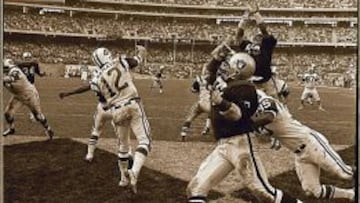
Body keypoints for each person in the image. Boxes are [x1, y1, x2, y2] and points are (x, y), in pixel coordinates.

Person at [187, 53, 302, 203]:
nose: (226, 69)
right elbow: (209, 74)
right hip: (223, 145)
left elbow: (236, 115)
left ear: (238, 69)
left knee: (264, 192)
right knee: (196, 189)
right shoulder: (230, 85)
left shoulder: (245, 88)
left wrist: (221, 102)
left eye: (229, 66)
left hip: (240, 144)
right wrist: (216, 59)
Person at [252, 90, 354, 202]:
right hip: (299, 153)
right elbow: (268, 133)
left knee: (345, 173)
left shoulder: (266, 101)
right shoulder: (256, 113)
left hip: (311, 143)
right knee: (313, 190)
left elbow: (268, 117)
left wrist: (246, 124)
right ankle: (351, 194)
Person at [88, 46, 150, 194]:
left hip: (116, 110)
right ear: (107, 55)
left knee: (123, 145)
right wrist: (142, 53)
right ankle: (134, 171)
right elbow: (137, 61)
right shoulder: (120, 61)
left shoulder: (95, 80)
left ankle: (123, 178)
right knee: (144, 141)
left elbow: (103, 104)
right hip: (132, 104)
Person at [3, 59, 54, 139]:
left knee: (38, 116)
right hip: (18, 96)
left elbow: (12, 79)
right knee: (7, 113)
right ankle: (11, 128)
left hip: (29, 95)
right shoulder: (9, 71)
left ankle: (48, 129)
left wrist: (3, 79)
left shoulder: (14, 70)